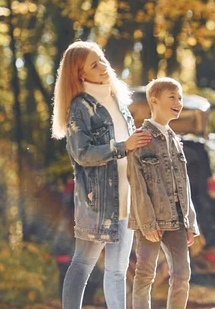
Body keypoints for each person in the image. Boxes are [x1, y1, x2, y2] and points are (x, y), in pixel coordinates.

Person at [51, 40, 152, 309]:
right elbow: (81, 153)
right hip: (97, 203)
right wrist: (122, 147)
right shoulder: (80, 107)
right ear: (80, 74)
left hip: (126, 199)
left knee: (118, 270)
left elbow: (132, 147)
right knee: (82, 264)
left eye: (103, 59)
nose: (104, 66)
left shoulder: (118, 101)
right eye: (94, 64)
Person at [127, 77, 199, 309]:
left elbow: (184, 184)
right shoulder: (141, 139)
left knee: (182, 275)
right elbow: (137, 184)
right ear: (154, 100)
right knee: (145, 275)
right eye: (172, 97)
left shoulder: (175, 140)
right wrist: (147, 223)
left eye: (180, 97)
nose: (178, 101)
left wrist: (190, 223)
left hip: (177, 220)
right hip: (150, 220)